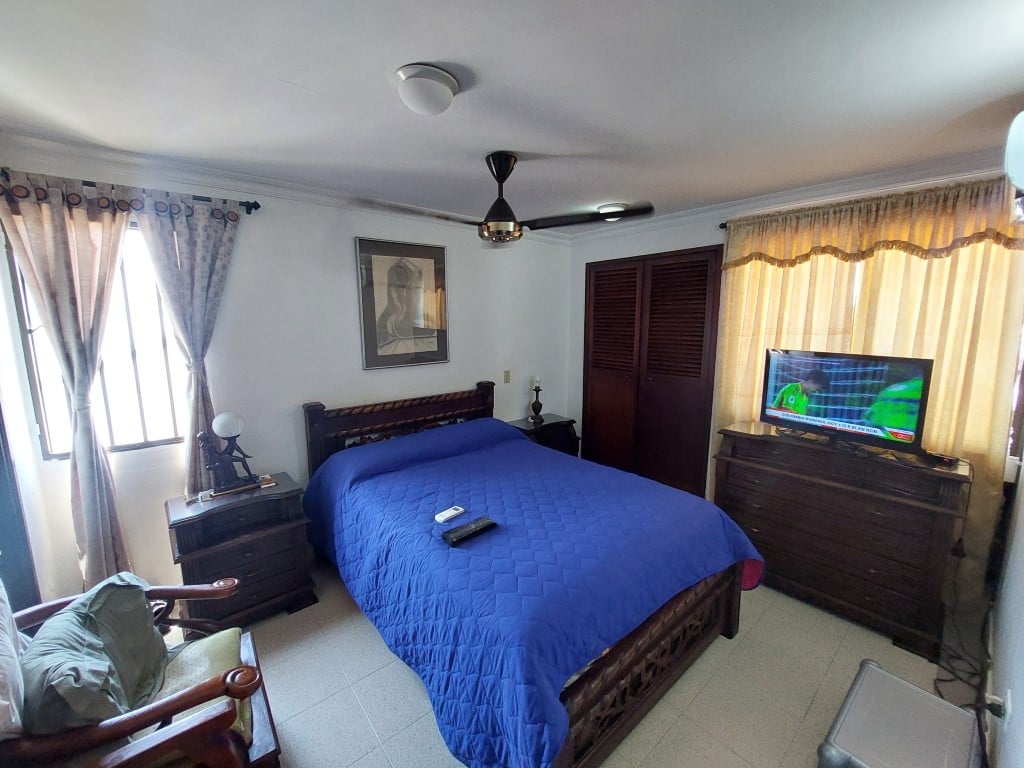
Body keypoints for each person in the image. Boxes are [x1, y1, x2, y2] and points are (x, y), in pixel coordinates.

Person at [375, 257, 430, 355]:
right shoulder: (386, 329)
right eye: (415, 288)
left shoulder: (425, 323)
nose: (421, 293)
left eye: (419, 288)